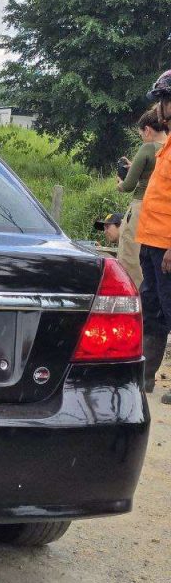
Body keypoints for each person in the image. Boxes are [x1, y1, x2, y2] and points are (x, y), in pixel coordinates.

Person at [132, 77, 171, 403]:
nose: (158, 108)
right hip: (151, 240)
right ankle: (144, 379)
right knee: (154, 310)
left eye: (162, 100)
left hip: (167, 246)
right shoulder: (168, 144)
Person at [117, 107, 168, 286]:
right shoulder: (166, 148)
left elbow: (129, 186)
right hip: (161, 215)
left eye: (141, 134)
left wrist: (119, 184)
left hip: (141, 208)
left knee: (130, 258)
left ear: (147, 130)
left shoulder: (148, 148)